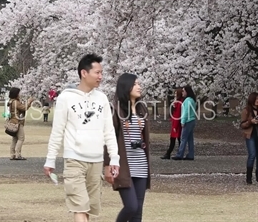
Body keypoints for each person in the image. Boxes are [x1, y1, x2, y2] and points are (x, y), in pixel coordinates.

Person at [43, 53, 120, 222]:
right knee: (79, 205)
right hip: (74, 160)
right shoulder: (66, 98)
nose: (100, 76)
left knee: (90, 209)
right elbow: (57, 131)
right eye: (97, 72)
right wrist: (50, 160)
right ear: (84, 73)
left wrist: (114, 158)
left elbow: (109, 131)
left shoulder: (102, 98)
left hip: (96, 160)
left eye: (101, 73)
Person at [103, 73, 151, 222]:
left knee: (138, 213)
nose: (139, 86)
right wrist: (107, 164)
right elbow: (108, 138)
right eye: (135, 84)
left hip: (141, 164)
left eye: (139, 83)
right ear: (126, 86)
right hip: (124, 165)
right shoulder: (115, 109)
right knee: (131, 206)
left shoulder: (142, 108)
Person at [7, 87, 35, 160]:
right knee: (21, 138)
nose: (20, 94)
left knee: (15, 139)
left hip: (12, 121)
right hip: (17, 122)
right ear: (16, 94)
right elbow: (24, 108)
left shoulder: (11, 101)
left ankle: (12, 154)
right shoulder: (16, 102)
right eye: (18, 93)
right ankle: (17, 154)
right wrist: (29, 102)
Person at [172, 85, 197, 160]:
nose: (182, 92)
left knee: (183, 138)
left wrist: (182, 121)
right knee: (190, 139)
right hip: (192, 120)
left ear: (187, 91)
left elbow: (186, 112)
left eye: (183, 91)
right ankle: (191, 155)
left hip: (188, 121)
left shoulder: (188, 100)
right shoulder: (192, 100)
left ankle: (180, 155)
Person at [240, 92, 258, 184]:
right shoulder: (246, 110)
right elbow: (242, 124)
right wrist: (250, 122)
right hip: (250, 135)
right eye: (256, 99)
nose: (257, 101)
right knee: (252, 154)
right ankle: (249, 177)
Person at [161, 88, 183, 159]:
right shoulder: (178, 101)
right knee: (177, 139)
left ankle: (169, 154)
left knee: (175, 139)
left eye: (176, 93)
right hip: (176, 122)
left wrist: (175, 126)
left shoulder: (179, 102)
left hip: (177, 123)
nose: (175, 95)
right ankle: (173, 153)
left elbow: (178, 114)